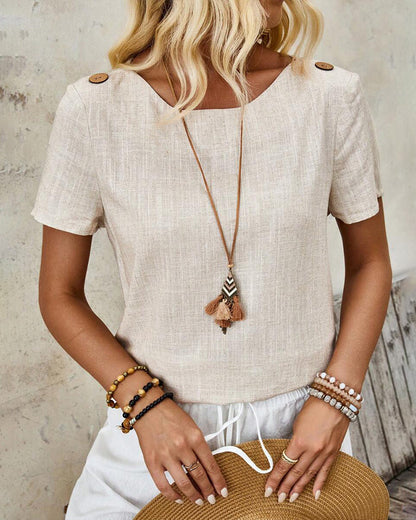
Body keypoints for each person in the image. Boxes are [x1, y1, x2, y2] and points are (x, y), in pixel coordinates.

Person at [31, 0, 392, 517]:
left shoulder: (329, 96)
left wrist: (337, 401)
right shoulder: (96, 109)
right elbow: (58, 295)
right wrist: (146, 406)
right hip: (156, 434)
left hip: (299, 438)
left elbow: (370, 263)